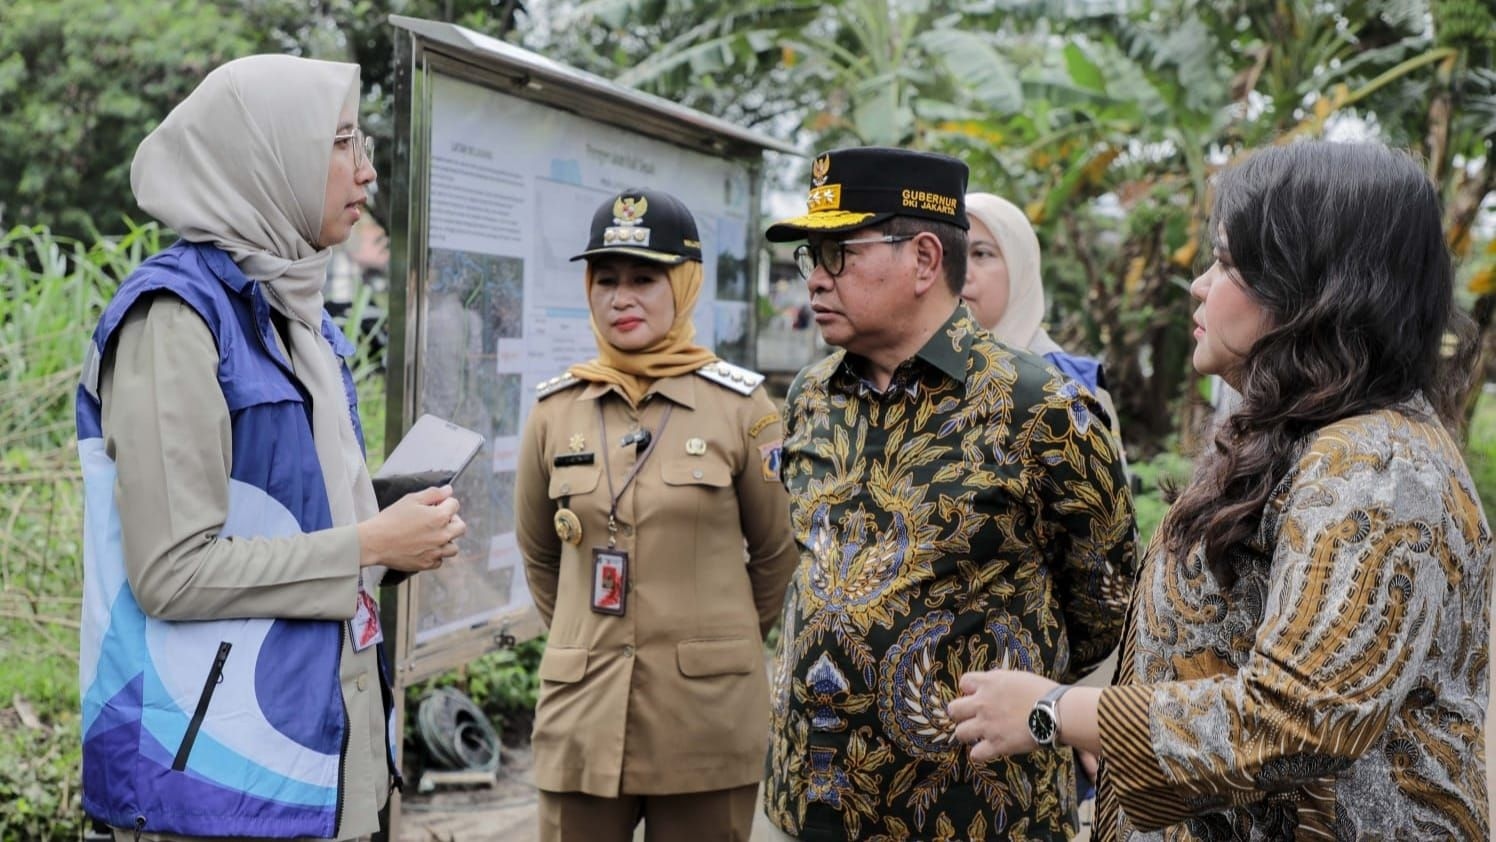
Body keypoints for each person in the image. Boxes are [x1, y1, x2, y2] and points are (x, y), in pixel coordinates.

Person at [948, 140, 1491, 840]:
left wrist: (1053, 710)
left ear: (1311, 286)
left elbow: (1300, 716)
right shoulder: (1299, 432)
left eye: (1229, 264)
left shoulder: (1377, 464)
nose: (1200, 286)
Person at [75, 55, 466, 840]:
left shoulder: (297, 314)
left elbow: (287, 511)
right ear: (268, 154)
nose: (366, 172)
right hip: (210, 781)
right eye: (342, 144)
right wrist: (367, 543)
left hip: (322, 749)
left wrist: (390, 528)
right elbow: (172, 572)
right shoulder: (176, 320)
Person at [760, 146, 1137, 841]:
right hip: (812, 796)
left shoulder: (1040, 405)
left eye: (838, 252)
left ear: (925, 259)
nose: (815, 278)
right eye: (808, 256)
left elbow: (1106, 605)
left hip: (970, 810)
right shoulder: (812, 395)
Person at [514, 187, 799, 842]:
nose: (622, 298)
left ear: (685, 284)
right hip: (582, 714)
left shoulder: (742, 408)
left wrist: (714, 639)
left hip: (705, 715)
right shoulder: (556, 409)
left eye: (645, 278)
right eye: (606, 279)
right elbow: (539, 553)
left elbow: (779, 555)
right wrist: (589, 637)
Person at [962, 191, 1123, 447]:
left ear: (1020, 269)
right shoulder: (910, 374)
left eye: (981, 254)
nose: (961, 272)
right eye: (950, 254)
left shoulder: (1070, 385)